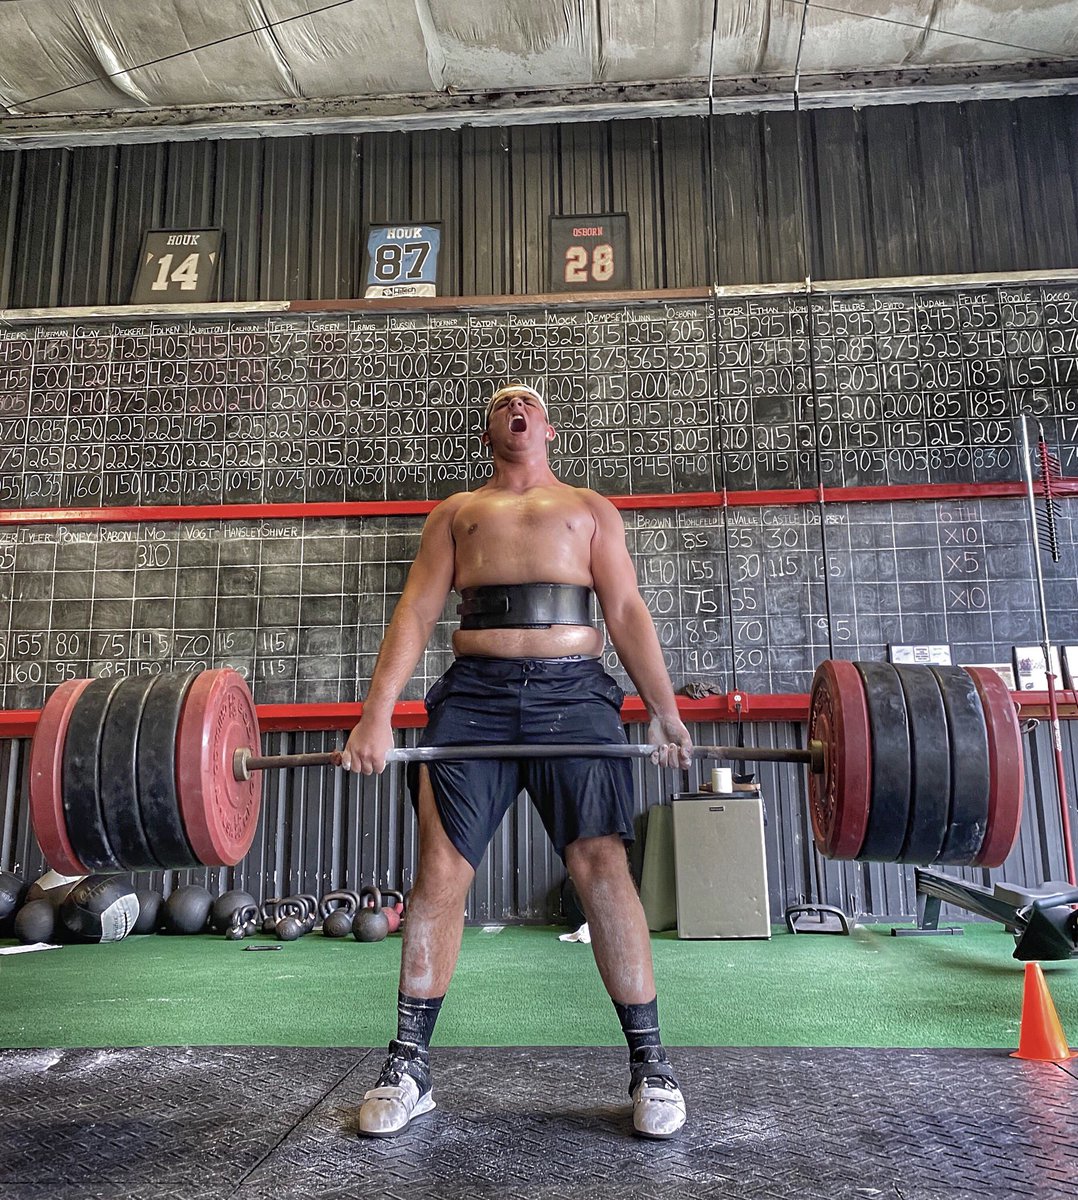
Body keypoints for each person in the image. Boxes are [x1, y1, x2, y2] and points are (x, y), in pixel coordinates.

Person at [341, 382, 693, 1140]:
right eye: (501, 403)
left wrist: (664, 711)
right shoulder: (457, 514)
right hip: (476, 699)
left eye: (528, 401)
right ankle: (408, 1065)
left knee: (603, 866)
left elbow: (626, 612)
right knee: (439, 872)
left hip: (576, 699)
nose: (516, 408)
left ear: (549, 427)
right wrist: (376, 715)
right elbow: (417, 611)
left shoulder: (590, 509)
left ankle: (651, 1065)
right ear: (488, 429)